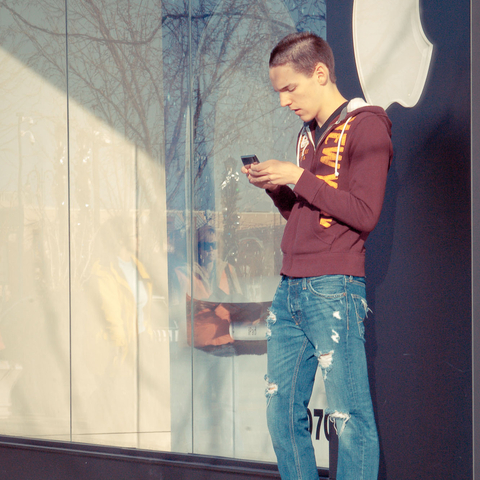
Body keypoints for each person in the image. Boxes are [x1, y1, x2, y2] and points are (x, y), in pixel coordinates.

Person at [242, 32, 392, 480]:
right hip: (290, 288)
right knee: (281, 415)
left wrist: (298, 178)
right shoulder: (306, 138)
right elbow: (307, 218)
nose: (285, 100)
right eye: (279, 92)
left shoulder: (366, 124)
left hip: (334, 289)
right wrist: (278, 189)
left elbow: (364, 214)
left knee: (349, 418)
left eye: (290, 88)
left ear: (321, 73)